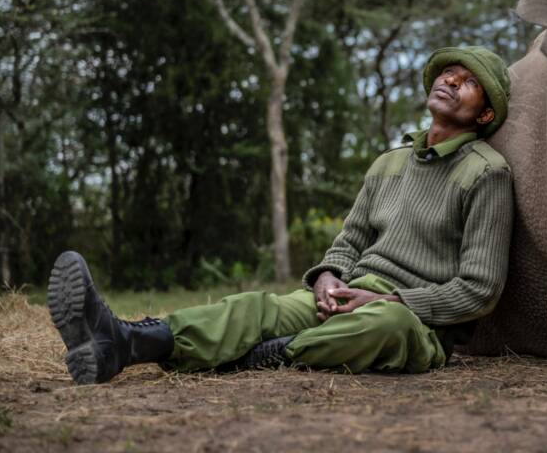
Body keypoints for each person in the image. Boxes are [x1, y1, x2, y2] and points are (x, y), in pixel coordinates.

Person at [47, 46, 514, 384]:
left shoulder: (486, 174)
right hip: (342, 299)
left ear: (485, 114)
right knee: (256, 307)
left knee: (381, 327)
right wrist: (328, 277)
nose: (451, 81)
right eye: (449, 73)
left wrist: (393, 303)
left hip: (408, 322)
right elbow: (348, 243)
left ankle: (267, 356)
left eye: (468, 82)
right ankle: (125, 342)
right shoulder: (388, 162)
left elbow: (479, 289)